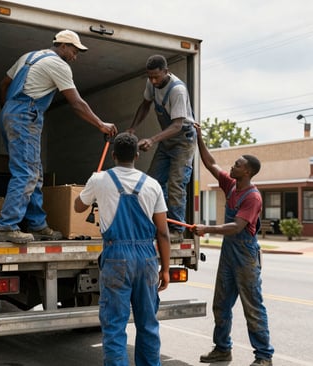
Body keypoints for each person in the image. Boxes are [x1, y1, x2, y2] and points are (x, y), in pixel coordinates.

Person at [0, 29, 118, 244]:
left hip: (12, 114)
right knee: (26, 174)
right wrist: (101, 125)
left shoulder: (29, 57)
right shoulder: (58, 65)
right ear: (62, 46)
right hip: (25, 115)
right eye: (74, 51)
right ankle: (6, 226)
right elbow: (77, 103)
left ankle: (37, 224)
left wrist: (9, 110)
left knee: (34, 172)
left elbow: (2, 84)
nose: (75, 56)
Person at [74, 132, 170, 366]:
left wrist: (94, 190)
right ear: (137, 155)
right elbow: (163, 232)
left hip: (116, 257)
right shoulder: (152, 185)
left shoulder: (99, 179)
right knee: (148, 323)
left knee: (115, 325)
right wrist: (165, 269)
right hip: (147, 258)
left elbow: (78, 207)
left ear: (114, 155)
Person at [193, 123, 274, 366]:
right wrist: (199, 137)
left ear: (247, 172)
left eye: (238, 164)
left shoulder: (253, 197)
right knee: (221, 303)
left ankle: (264, 357)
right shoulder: (231, 184)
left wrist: (206, 229)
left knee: (253, 306)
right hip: (229, 254)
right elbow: (210, 163)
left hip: (246, 255)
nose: (232, 166)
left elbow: (237, 227)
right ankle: (222, 349)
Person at [128, 54, 196, 243]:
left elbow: (177, 126)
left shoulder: (178, 90)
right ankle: (156, 224)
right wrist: (133, 128)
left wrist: (152, 139)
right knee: (152, 182)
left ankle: (176, 229)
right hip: (167, 141)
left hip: (183, 141)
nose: (153, 80)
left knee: (176, 184)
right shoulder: (152, 84)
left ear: (166, 72)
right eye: (150, 77)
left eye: (157, 77)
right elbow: (145, 105)